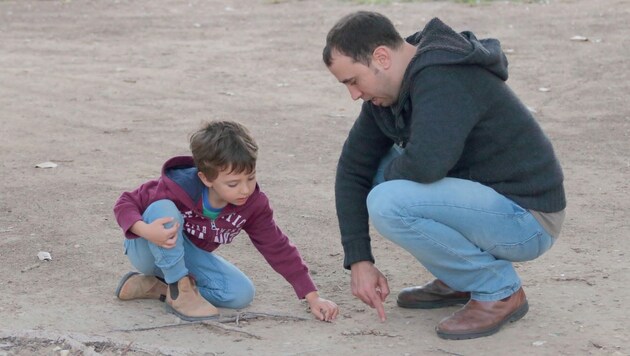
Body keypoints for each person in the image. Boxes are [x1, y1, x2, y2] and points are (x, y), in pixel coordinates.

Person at [322, 11, 566, 339]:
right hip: (488, 206)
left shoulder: (443, 75)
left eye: (353, 80)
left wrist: (388, 177)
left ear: (381, 57)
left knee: (387, 199)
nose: (354, 94)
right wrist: (359, 261)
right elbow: (353, 169)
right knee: (378, 173)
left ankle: (499, 291)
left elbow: (426, 165)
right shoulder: (390, 92)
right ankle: (460, 278)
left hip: (528, 218)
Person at [113, 120, 339, 322]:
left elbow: (276, 245)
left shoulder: (253, 204)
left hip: (187, 258)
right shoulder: (177, 186)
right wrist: (146, 230)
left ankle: (159, 288)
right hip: (148, 248)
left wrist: (313, 296)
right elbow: (125, 202)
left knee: (240, 294)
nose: (245, 189)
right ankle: (180, 292)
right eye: (233, 184)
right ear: (205, 178)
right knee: (162, 208)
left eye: (250, 178)